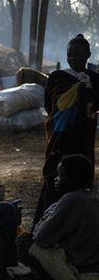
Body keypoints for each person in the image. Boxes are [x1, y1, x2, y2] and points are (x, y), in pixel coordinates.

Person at [33, 34, 99, 227]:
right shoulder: (57, 77)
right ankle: (47, 225)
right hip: (60, 138)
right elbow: (49, 106)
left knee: (81, 176)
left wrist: (86, 93)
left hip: (83, 138)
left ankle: (77, 225)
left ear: (88, 54)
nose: (72, 59)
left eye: (77, 55)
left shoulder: (94, 79)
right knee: (55, 177)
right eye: (69, 55)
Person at [30, 154, 99, 280]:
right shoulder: (90, 197)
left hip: (88, 275)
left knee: (30, 246)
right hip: (93, 267)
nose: (56, 179)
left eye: (60, 175)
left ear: (71, 180)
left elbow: (41, 238)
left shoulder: (72, 200)